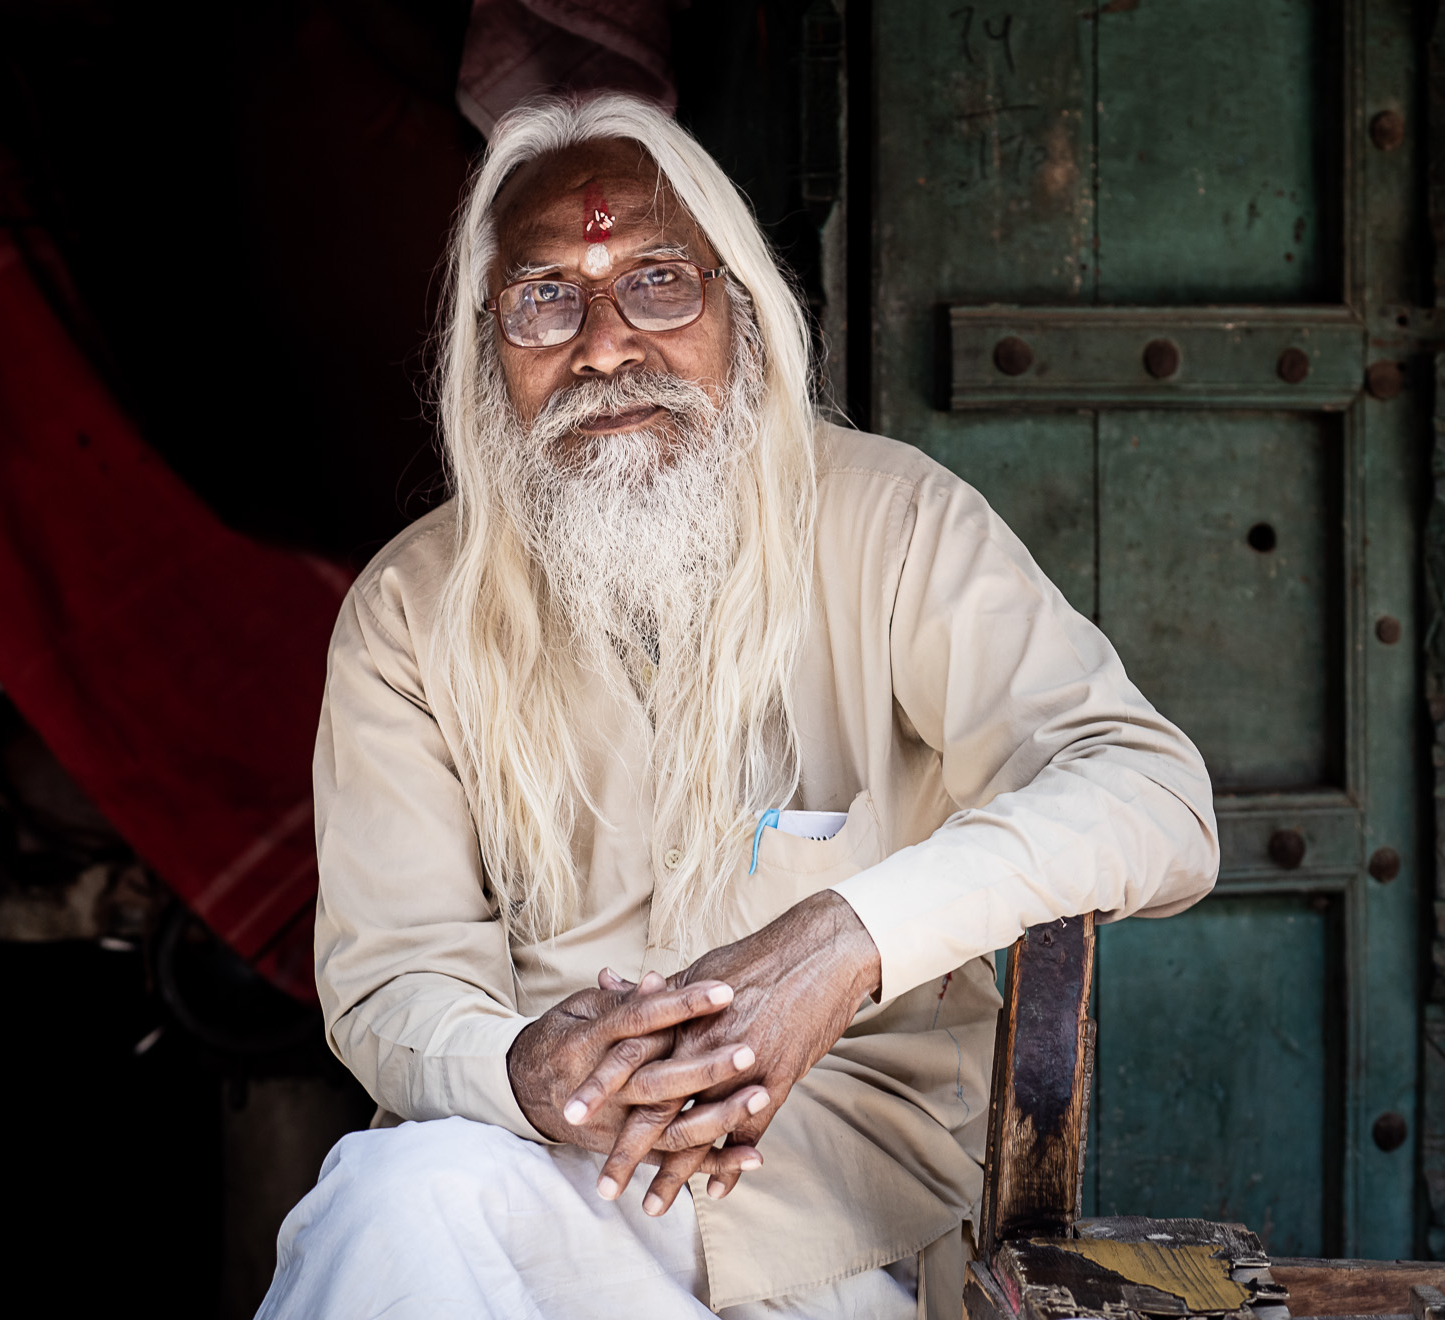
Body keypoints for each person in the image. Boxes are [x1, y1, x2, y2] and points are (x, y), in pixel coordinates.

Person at [258, 94, 1216, 1320]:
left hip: (844, 1207)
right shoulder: (410, 614)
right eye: (546, 299)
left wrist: (847, 937)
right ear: (487, 352)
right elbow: (394, 980)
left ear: (741, 311)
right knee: (398, 1207)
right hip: (538, 1174)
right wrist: (522, 1068)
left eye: (658, 282)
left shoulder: (894, 526)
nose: (604, 348)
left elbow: (1152, 795)